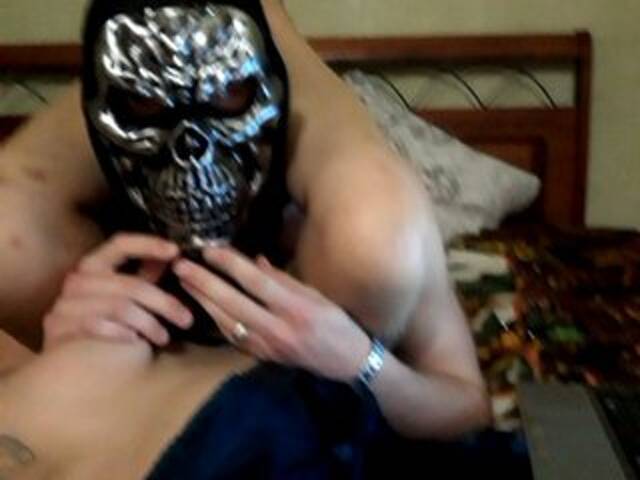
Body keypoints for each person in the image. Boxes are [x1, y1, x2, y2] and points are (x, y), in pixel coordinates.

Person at [0, 0, 490, 441]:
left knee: (371, 242)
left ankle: (242, 48)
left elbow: (467, 407)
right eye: (144, 103)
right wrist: (55, 364)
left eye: (230, 93)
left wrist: (359, 363)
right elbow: (464, 407)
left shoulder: (370, 229)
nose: (192, 152)